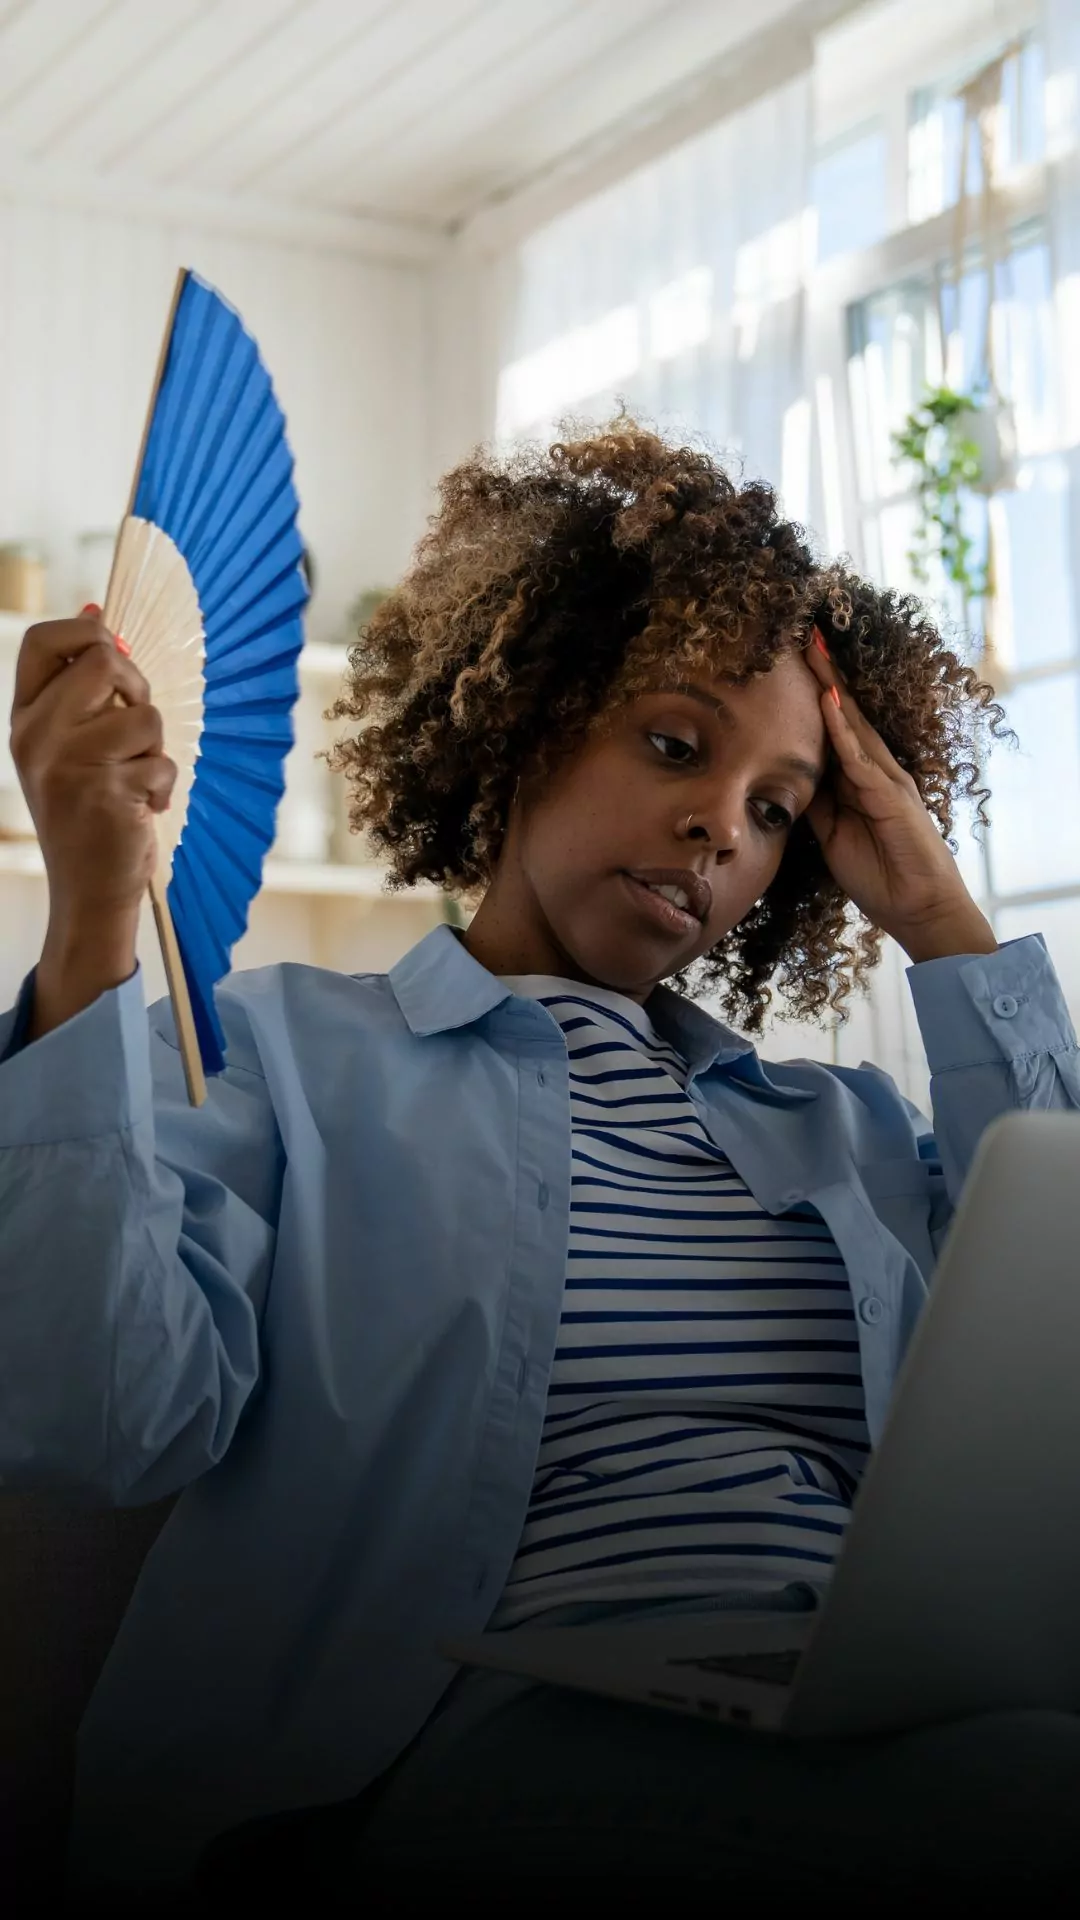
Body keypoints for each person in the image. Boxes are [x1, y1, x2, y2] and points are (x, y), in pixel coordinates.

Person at [2, 424, 1079, 1910]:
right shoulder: (283, 1056)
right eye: (676, 744)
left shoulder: (848, 1133)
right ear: (528, 720)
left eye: (778, 808)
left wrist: (942, 918)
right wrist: (92, 919)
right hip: (465, 1743)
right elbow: (96, 1415)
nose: (721, 824)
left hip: (858, 1713)